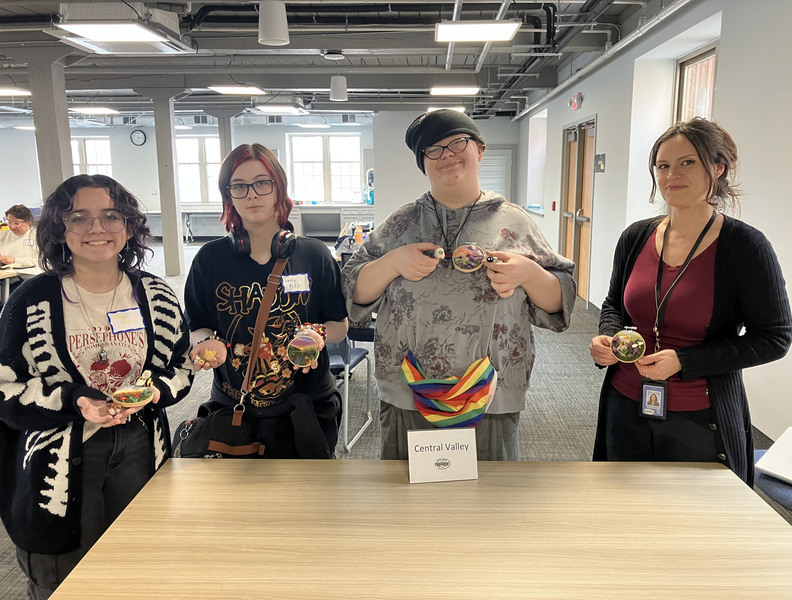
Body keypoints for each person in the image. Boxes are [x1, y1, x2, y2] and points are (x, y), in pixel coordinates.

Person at [341, 109, 577, 461]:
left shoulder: (513, 221)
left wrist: (529, 273)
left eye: (457, 142)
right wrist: (392, 263)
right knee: (407, 503)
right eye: (433, 150)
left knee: (487, 504)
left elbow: (560, 298)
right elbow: (354, 291)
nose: (447, 154)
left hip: (490, 392)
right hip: (409, 391)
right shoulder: (402, 222)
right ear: (423, 163)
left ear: (479, 149)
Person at [0, 174, 194, 599]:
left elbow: (180, 368)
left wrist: (154, 391)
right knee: (63, 578)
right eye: (79, 217)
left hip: (141, 446)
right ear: (58, 228)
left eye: (111, 216)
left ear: (127, 226)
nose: (97, 229)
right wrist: (76, 399)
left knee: (139, 563)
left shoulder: (155, 293)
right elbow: (5, 389)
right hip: (59, 458)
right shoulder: (32, 299)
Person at [589, 117, 792, 485]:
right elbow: (613, 305)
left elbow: (774, 337)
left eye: (688, 162)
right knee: (623, 518)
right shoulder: (635, 237)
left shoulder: (745, 247)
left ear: (718, 167)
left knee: (695, 531)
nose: (671, 176)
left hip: (698, 417)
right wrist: (609, 336)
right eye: (663, 166)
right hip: (625, 404)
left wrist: (684, 361)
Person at [184, 143, 348, 458]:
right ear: (228, 194)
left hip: (308, 407)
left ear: (278, 188)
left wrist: (318, 335)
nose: (252, 194)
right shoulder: (209, 259)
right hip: (234, 407)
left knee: (307, 500)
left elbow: (339, 325)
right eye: (239, 186)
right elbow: (198, 325)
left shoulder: (314, 255)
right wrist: (206, 343)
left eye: (262, 182)